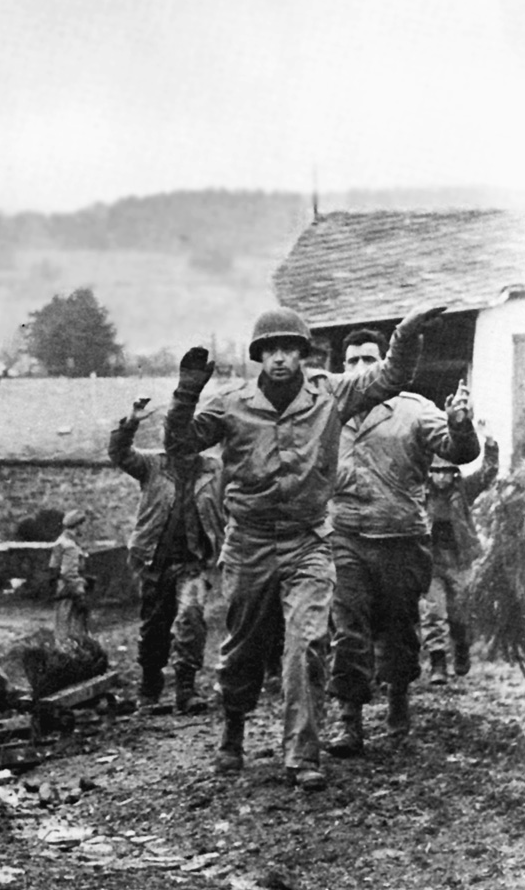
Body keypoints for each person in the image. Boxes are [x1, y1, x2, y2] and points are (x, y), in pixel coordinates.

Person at [164, 304, 442, 791]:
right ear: (258, 356)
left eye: (288, 348)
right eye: (269, 349)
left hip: (309, 540)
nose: (279, 359)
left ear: (303, 353)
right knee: (244, 646)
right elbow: (181, 446)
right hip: (249, 541)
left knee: (308, 642)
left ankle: (302, 753)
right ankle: (233, 729)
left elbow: (391, 375)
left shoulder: (331, 394)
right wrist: (187, 392)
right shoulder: (231, 403)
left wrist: (407, 334)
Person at [326, 329, 480, 759]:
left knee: (398, 627)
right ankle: (349, 720)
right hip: (345, 537)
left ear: (385, 362)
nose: (360, 368)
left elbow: (459, 451)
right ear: (342, 366)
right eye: (352, 360)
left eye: (368, 359)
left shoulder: (412, 410)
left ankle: (397, 701)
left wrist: (460, 425)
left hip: (401, 539)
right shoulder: (327, 411)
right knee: (348, 629)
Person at [108, 396, 225, 713]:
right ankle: (149, 690)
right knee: (154, 626)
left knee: (191, 619)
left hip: (193, 564)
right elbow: (119, 453)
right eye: (172, 434)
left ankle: (186, 690)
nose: (177, 441)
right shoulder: (151, 465)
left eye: (185, 435)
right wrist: (131, 421)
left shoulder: (215, 470)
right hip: (153, 561)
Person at [421, 426, 499, 685]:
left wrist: (490, 445)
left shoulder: (464, 489)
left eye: (446, 471)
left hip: (459, 559)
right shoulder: (421, 494)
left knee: (460, 611)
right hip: (431, 561)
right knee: (433, 612)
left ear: (454, 473)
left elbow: (488, 473)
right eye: (436, 471)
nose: (441, 477)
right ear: (430, 473)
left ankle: (462, 649)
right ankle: (438, 663)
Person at [50, 509, 92, 645]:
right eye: (83, 525)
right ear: (78, 525)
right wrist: (81, 588)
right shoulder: (70, 546)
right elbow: (69, 574)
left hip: (61, 590)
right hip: (71, 591)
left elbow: (53, 566)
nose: (84, 528)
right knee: (72, 628)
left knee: (62, 624)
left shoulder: (60, 541)